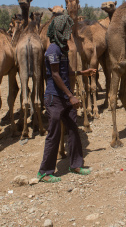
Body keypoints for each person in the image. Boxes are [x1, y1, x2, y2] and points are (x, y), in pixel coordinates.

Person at [37, 14, 96, 183]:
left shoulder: (62, 49)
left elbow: (65, 72)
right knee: (54, 134)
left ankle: (76, 164)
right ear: (59, 30)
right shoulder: (53, 50)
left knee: (73, 130)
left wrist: (81, 73)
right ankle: (44, 172)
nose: (69, 31)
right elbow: (55, 75)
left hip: (64, 96)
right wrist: (71, 96)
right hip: (54, 97)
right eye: (66, 29)